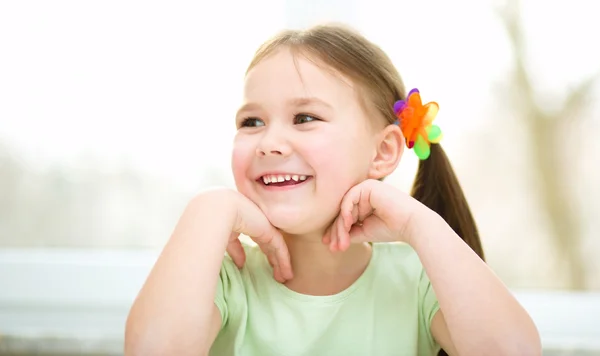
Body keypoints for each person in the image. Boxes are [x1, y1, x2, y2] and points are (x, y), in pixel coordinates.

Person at [124, 24, 541, 356]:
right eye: (251, 122)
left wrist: (418, 224)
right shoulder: (222, 278)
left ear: (382, 152)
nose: (269, 142)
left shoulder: (417, 279)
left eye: (304, 117)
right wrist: (208, 209)